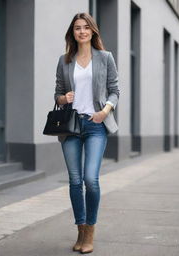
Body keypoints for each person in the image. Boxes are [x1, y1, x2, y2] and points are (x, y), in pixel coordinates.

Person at [54, 13, 120, 254]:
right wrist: (63, 98)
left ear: (93, 31)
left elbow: (115, 90)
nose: (81, 31)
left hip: (95, 124)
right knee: (74, 180)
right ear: (73, 33)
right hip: (71, 126)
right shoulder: (64, 60)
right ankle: (80, 229)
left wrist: (105, 111)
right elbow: (58, 93)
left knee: (90, 179)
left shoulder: (105, 58)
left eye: (86, 27)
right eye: (77, 28)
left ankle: (90, 229)